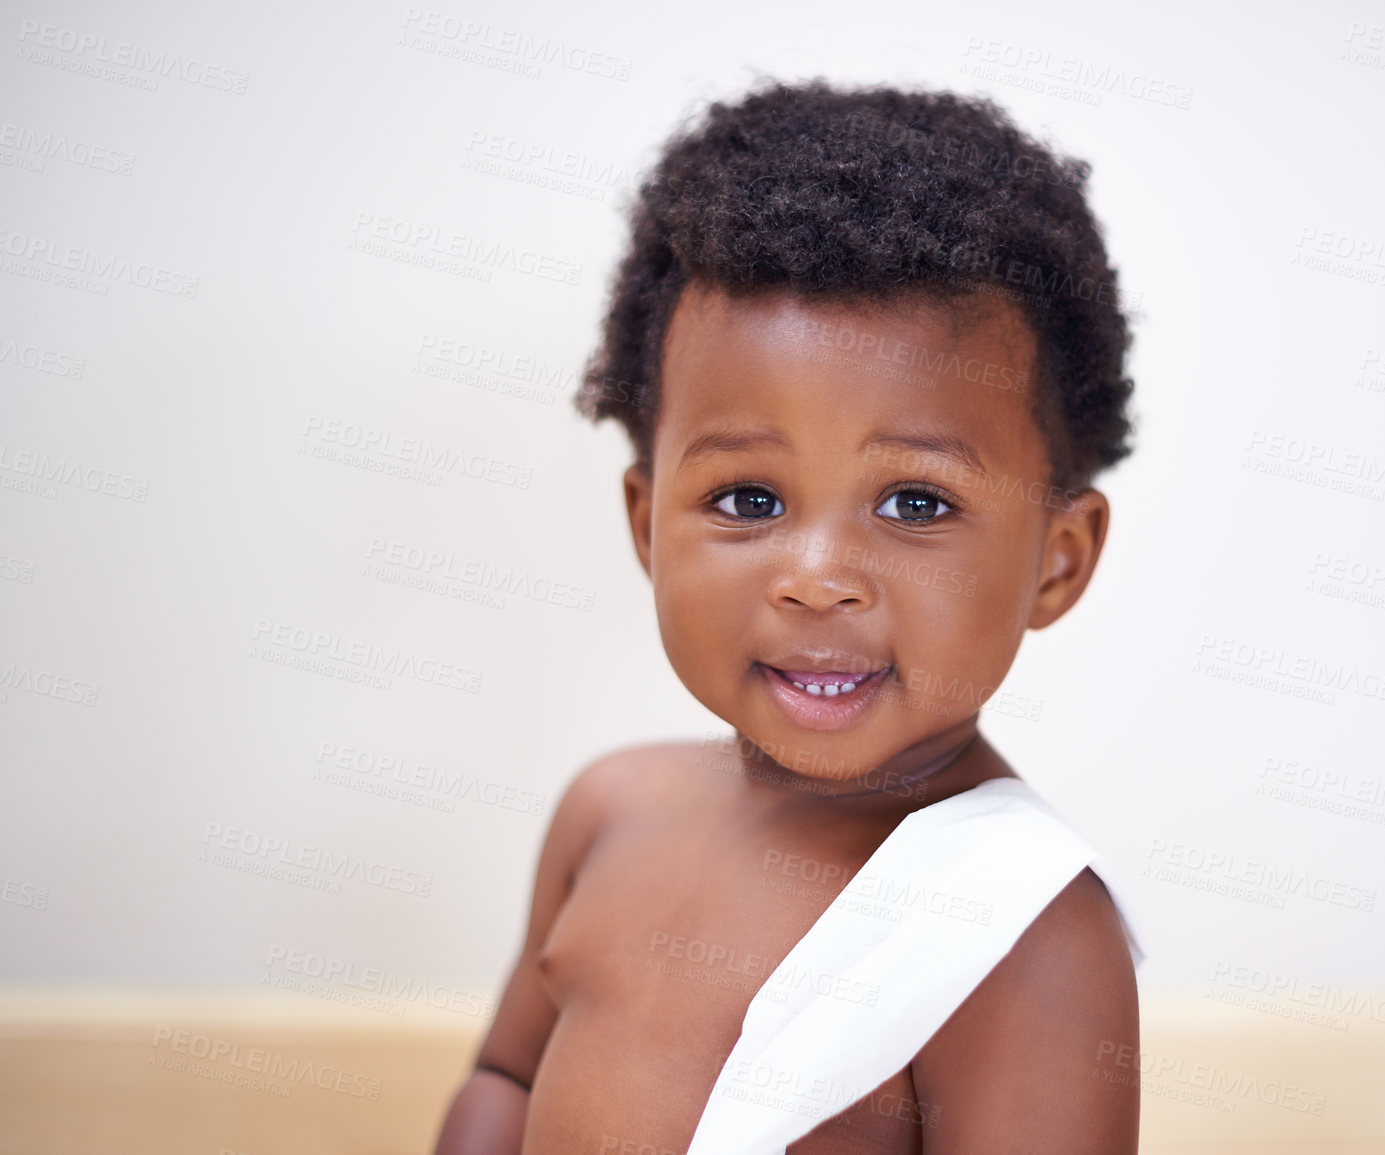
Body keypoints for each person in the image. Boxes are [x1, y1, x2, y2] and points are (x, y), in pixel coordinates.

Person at [433, 78, 1146, 1154]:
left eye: (916, 503)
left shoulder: (1018, 928)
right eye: (748, 500)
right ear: (645, 523)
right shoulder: (610, 813)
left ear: (1058, 560)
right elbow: (505, 1076)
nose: (818, 578)